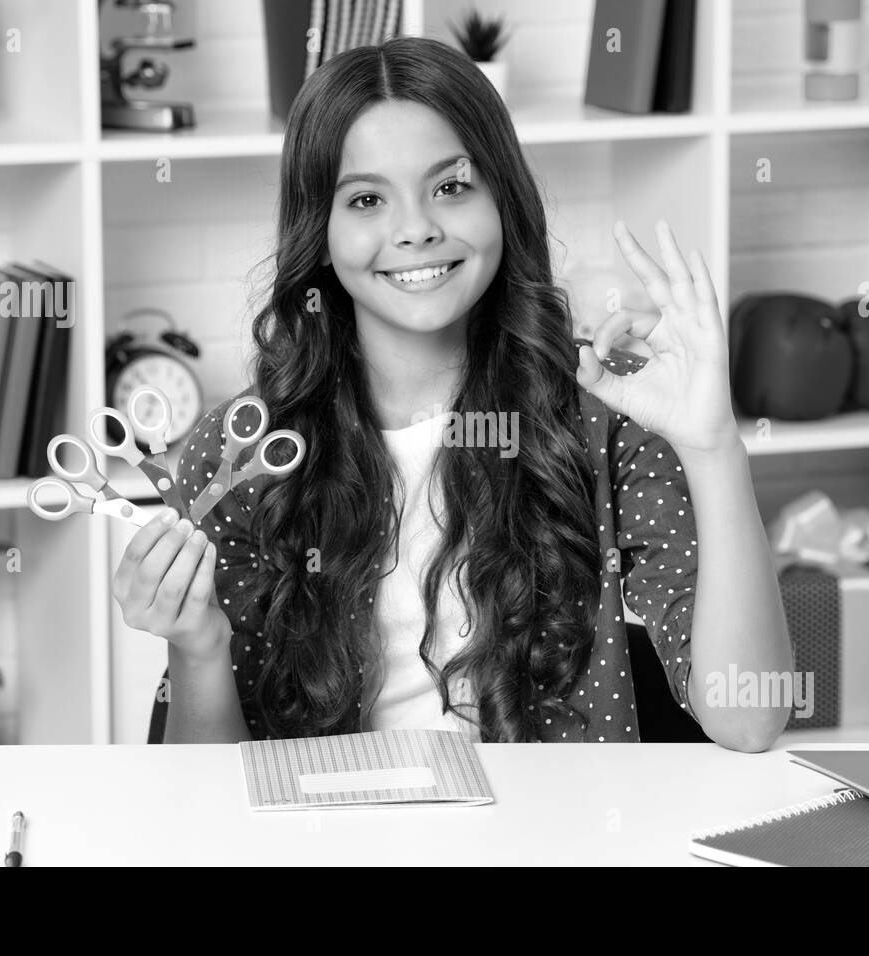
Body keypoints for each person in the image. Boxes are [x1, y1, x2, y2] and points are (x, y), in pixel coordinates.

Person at [112, 36, 794, 750]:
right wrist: (195, 646)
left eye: (451, 186)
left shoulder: (606, 418)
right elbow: (210, 798)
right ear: (320, 231)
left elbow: (748, 719)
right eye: (368, 198)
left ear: (502, 198)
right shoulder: (240, 457)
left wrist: (714, 447)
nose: (416, 230)